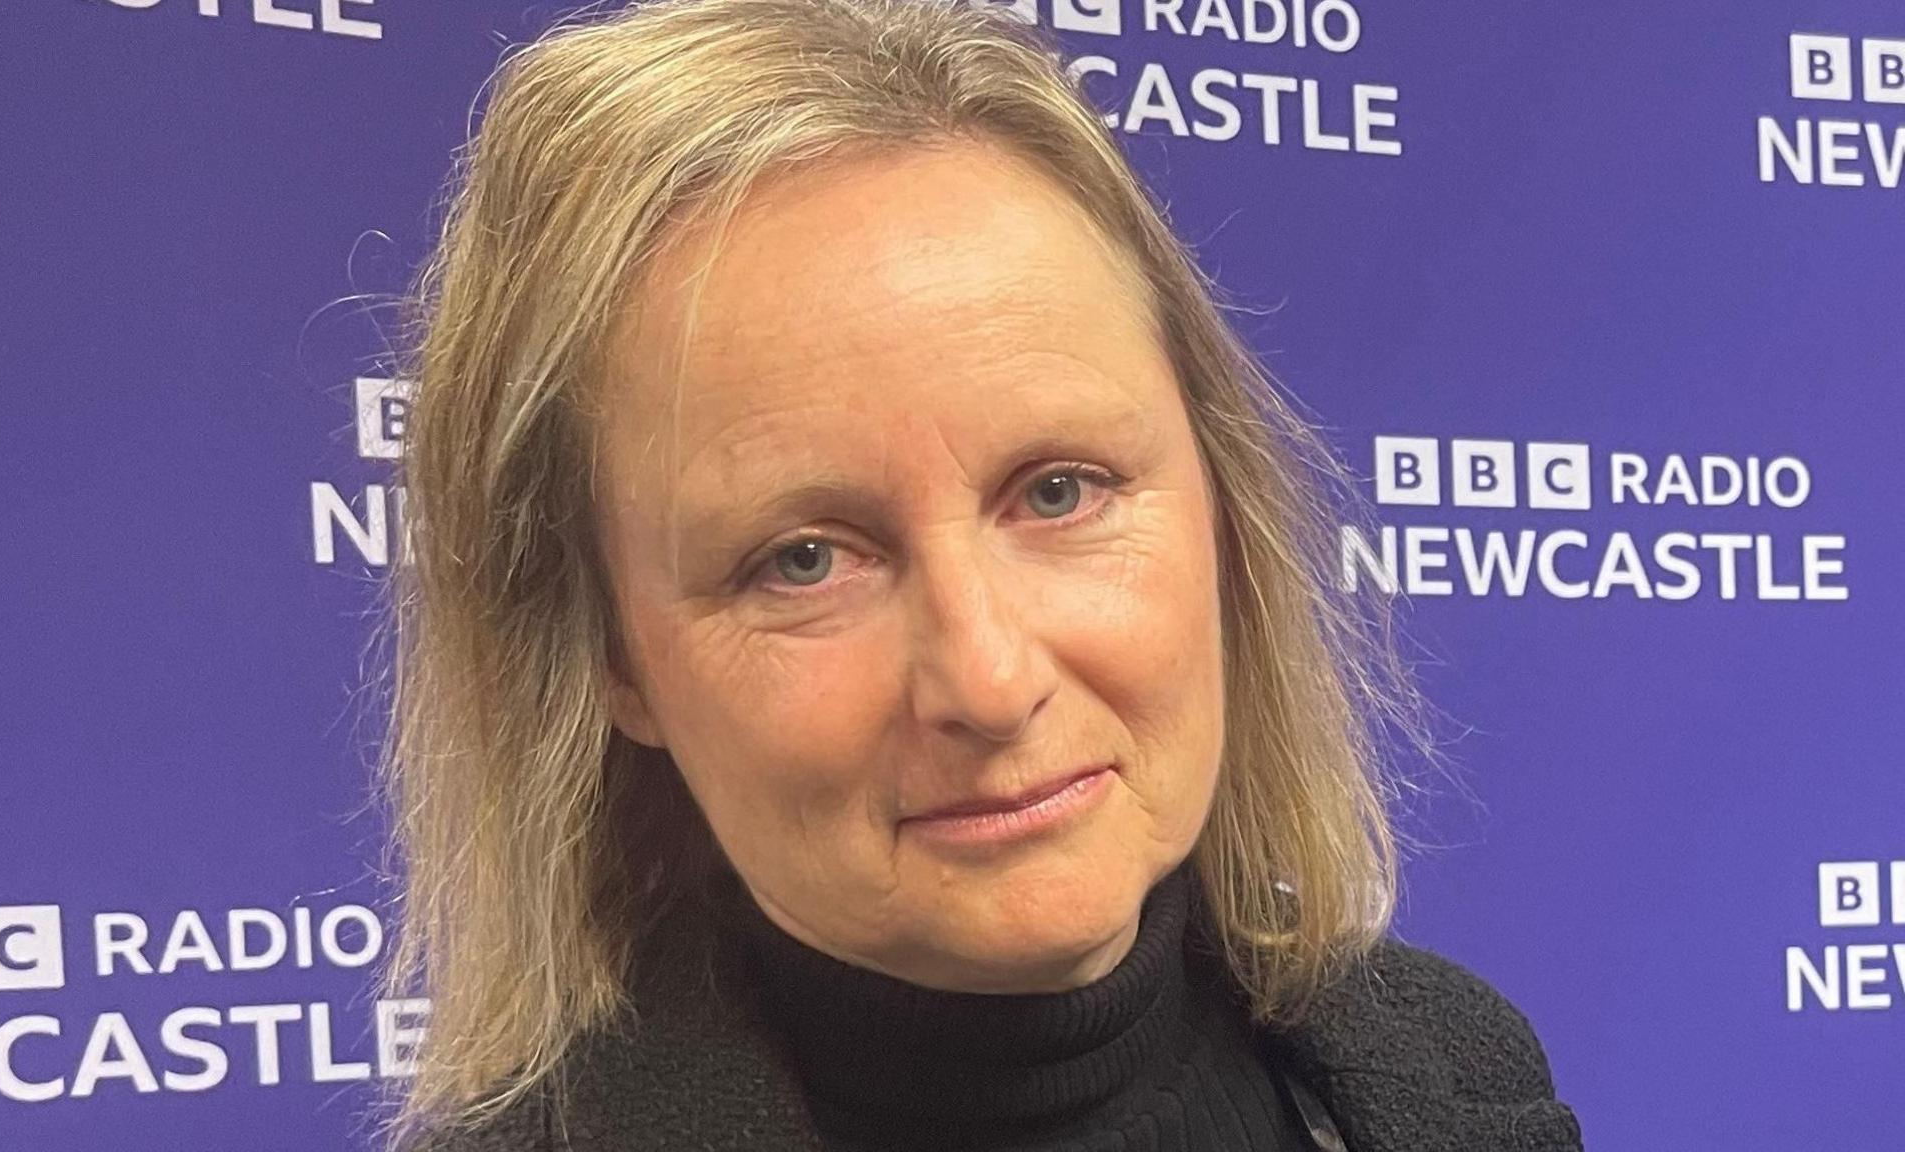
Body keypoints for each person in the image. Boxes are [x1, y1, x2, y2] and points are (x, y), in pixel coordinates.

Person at [370, 1, 1585, 1149]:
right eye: (802, 562)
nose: (990, 681)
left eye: (1059, 491)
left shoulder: (1452, 1075)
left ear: (1218, 493)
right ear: (611, 657)